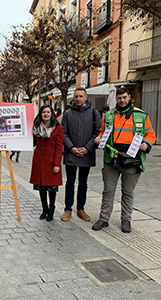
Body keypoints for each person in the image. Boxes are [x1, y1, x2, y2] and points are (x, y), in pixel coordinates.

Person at [92, 87, 156, 233]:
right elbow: (102, 132)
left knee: (128, 192)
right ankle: (103, 219)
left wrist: (147, 144)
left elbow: (150, 134)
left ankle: (126, 220)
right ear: (116, 99)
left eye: (124, 97)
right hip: (111, 159)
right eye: (119, 98)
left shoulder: (141, 115)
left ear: (129, 97)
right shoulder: (108, 115)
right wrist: (99, 138)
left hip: (131, 160)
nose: (121, 100)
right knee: (108, 191)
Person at [61, 87, 101, 222]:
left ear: (86, 97)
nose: (78, 99)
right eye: (76, 96)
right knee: (70, 182)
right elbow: (63, 133)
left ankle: (80, 208)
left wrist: (87, 148)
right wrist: (71, 148)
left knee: (83, 182)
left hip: (86, 153)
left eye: (81, 96)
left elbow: (97, 133)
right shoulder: (67, 114)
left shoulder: (94, 113)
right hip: (71, 153)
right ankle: (67, 209)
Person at [30, 105, 63, 222]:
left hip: (51, 161)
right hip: (39, 161)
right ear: (40, 114)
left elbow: (59, 147)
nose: (46, 114)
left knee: (51, 189)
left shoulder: (57, 128)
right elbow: (32, 143)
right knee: (41, 188)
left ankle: (51, 208)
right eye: (44, 112)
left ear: (52, 114)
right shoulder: (36, 127)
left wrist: (57, 164)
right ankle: (44, 209)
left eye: (48, 112)